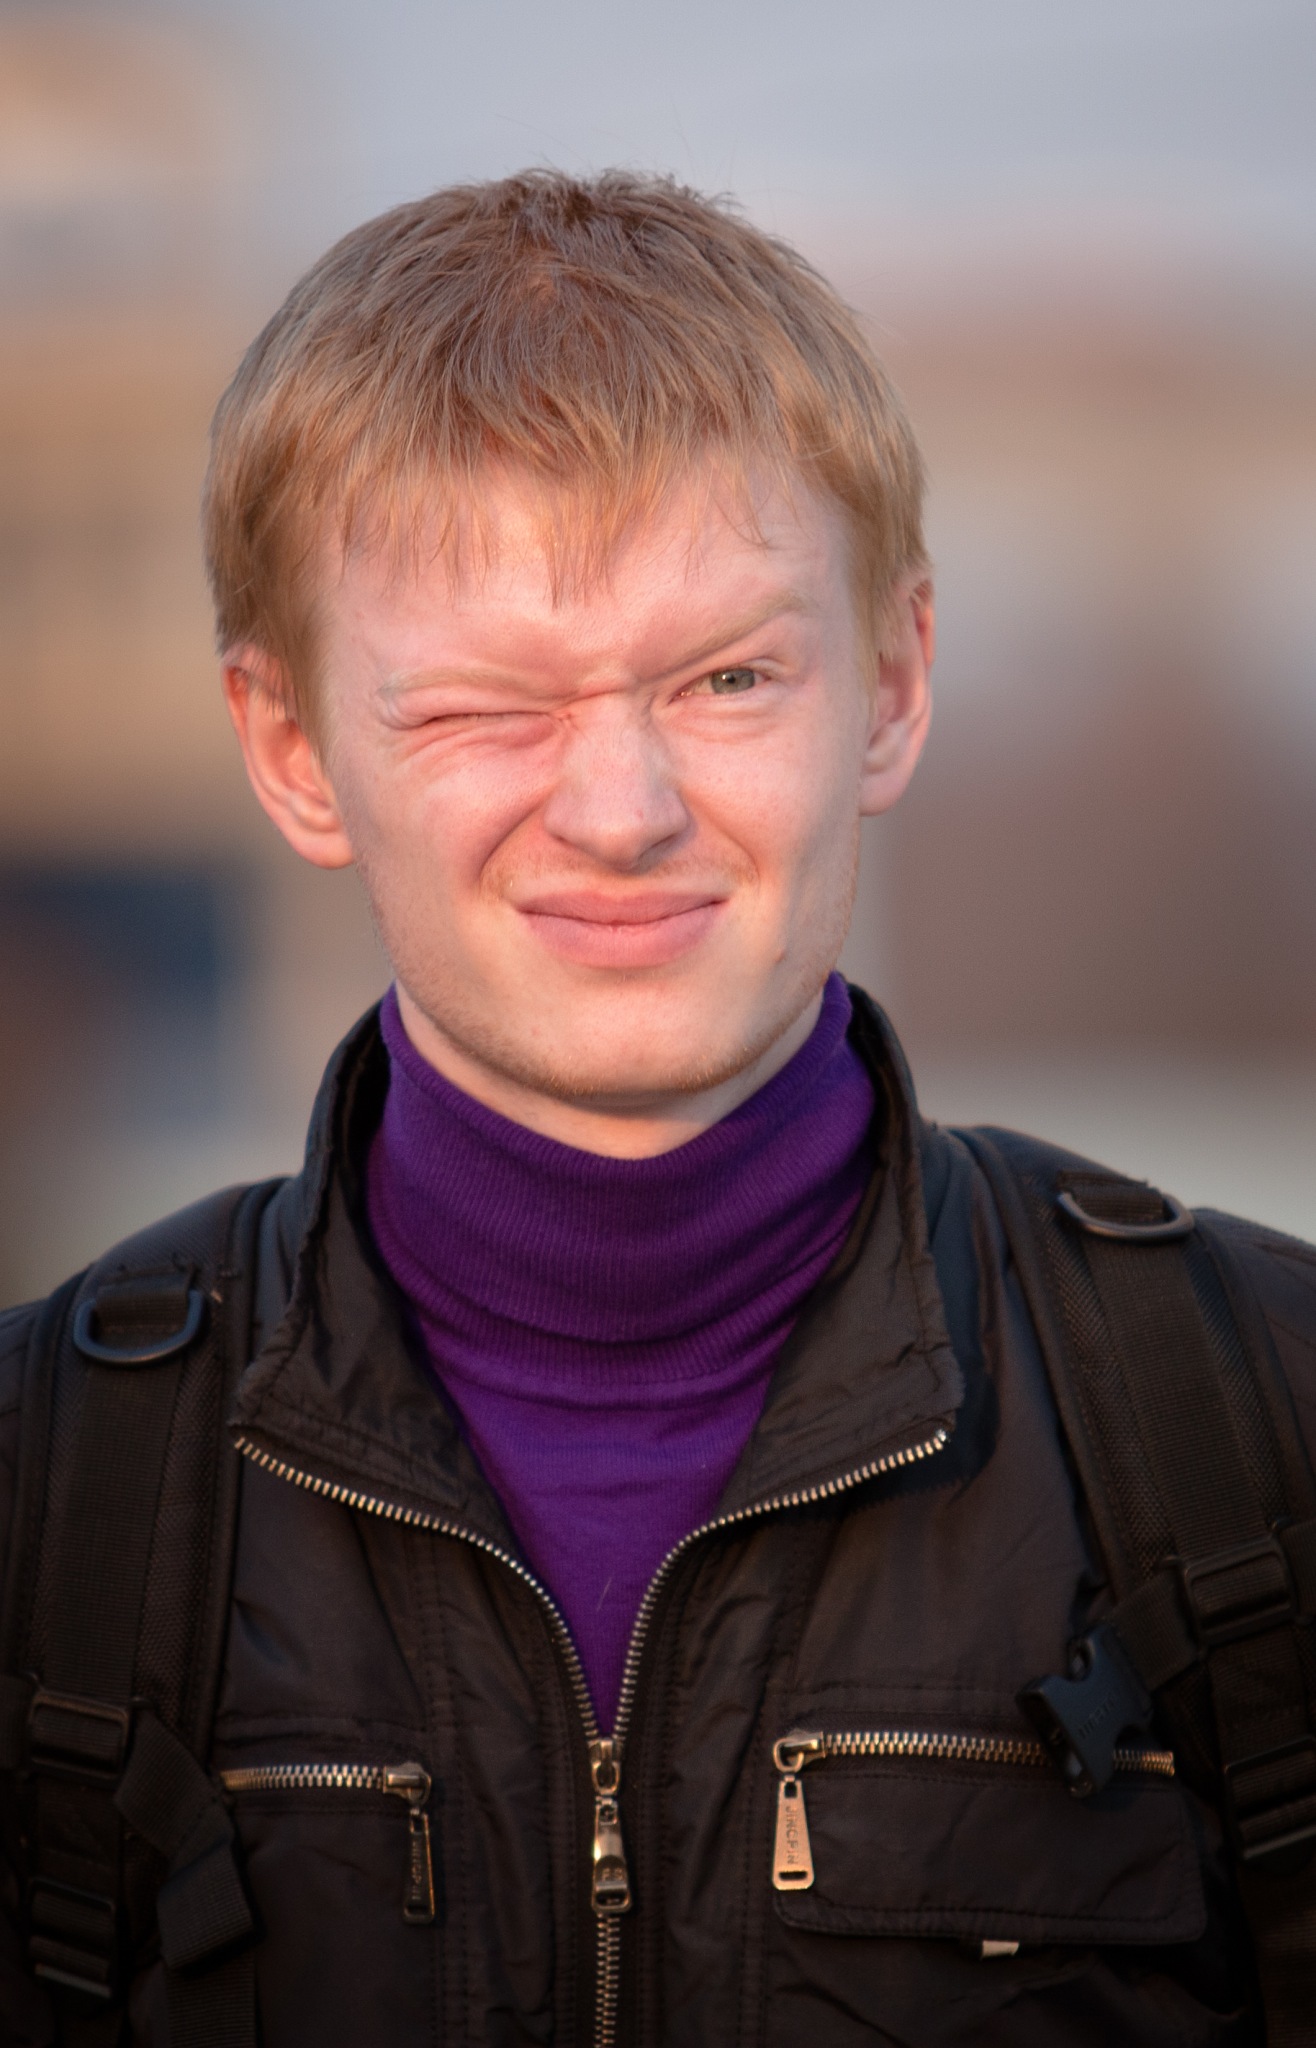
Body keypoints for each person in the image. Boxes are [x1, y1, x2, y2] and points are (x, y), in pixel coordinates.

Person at [1, 168, 1313, 2047]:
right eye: (486, 706)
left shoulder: (1264, 1438)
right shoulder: (42, 1501)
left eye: (727, 676)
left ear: (891, 684)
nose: (622, 811)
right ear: (292, 747)